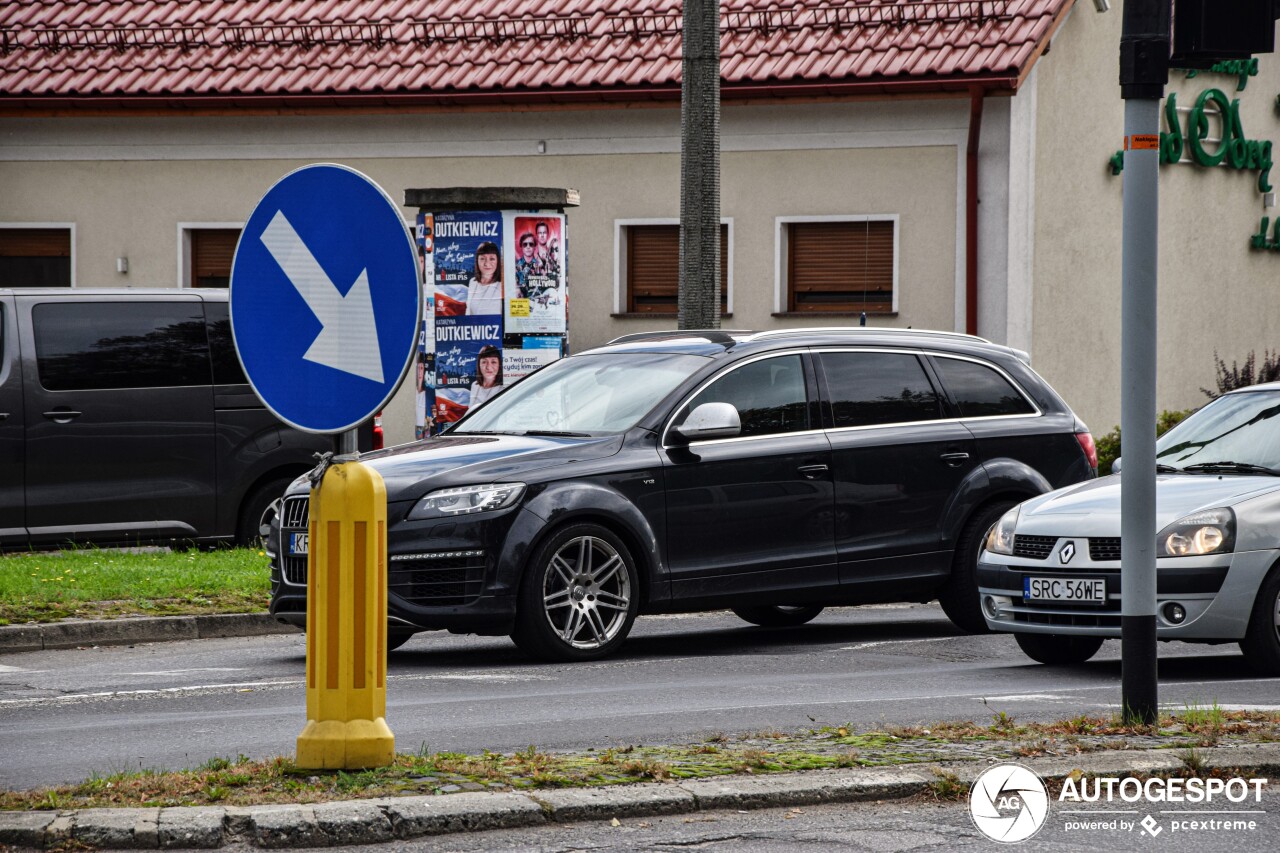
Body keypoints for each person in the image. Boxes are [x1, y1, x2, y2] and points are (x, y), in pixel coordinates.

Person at [465, 241, 503, 315]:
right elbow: (468, 312)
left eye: (492, 259)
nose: (487, 263)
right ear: (477, 261)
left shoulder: (502, 285)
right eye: (482, 259)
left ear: (498, 261)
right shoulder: (473, 282)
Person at [513, 232, 542, 298]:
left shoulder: (540, 266)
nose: (528, 247)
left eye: (531, 244)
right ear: (521, 247)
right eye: (525, 244)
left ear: (535, 247)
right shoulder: (516, 266)